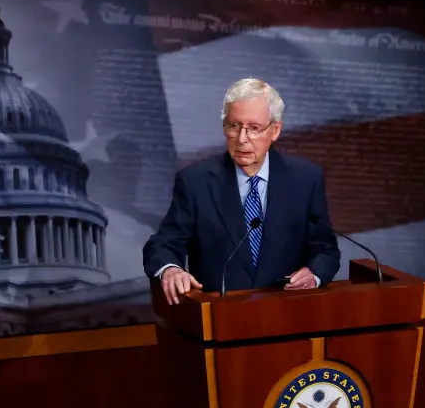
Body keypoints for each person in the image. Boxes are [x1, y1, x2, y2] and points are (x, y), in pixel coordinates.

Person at [143, 78, 341, 304]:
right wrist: (171, 270)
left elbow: (326, 251)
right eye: (234, 126)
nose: (242, 139)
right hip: (218, 319)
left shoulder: (305, 179)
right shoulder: (195, 182)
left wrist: (314, 274)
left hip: (288, 315)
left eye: (254, 128)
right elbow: (162, 244)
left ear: (275, 130)